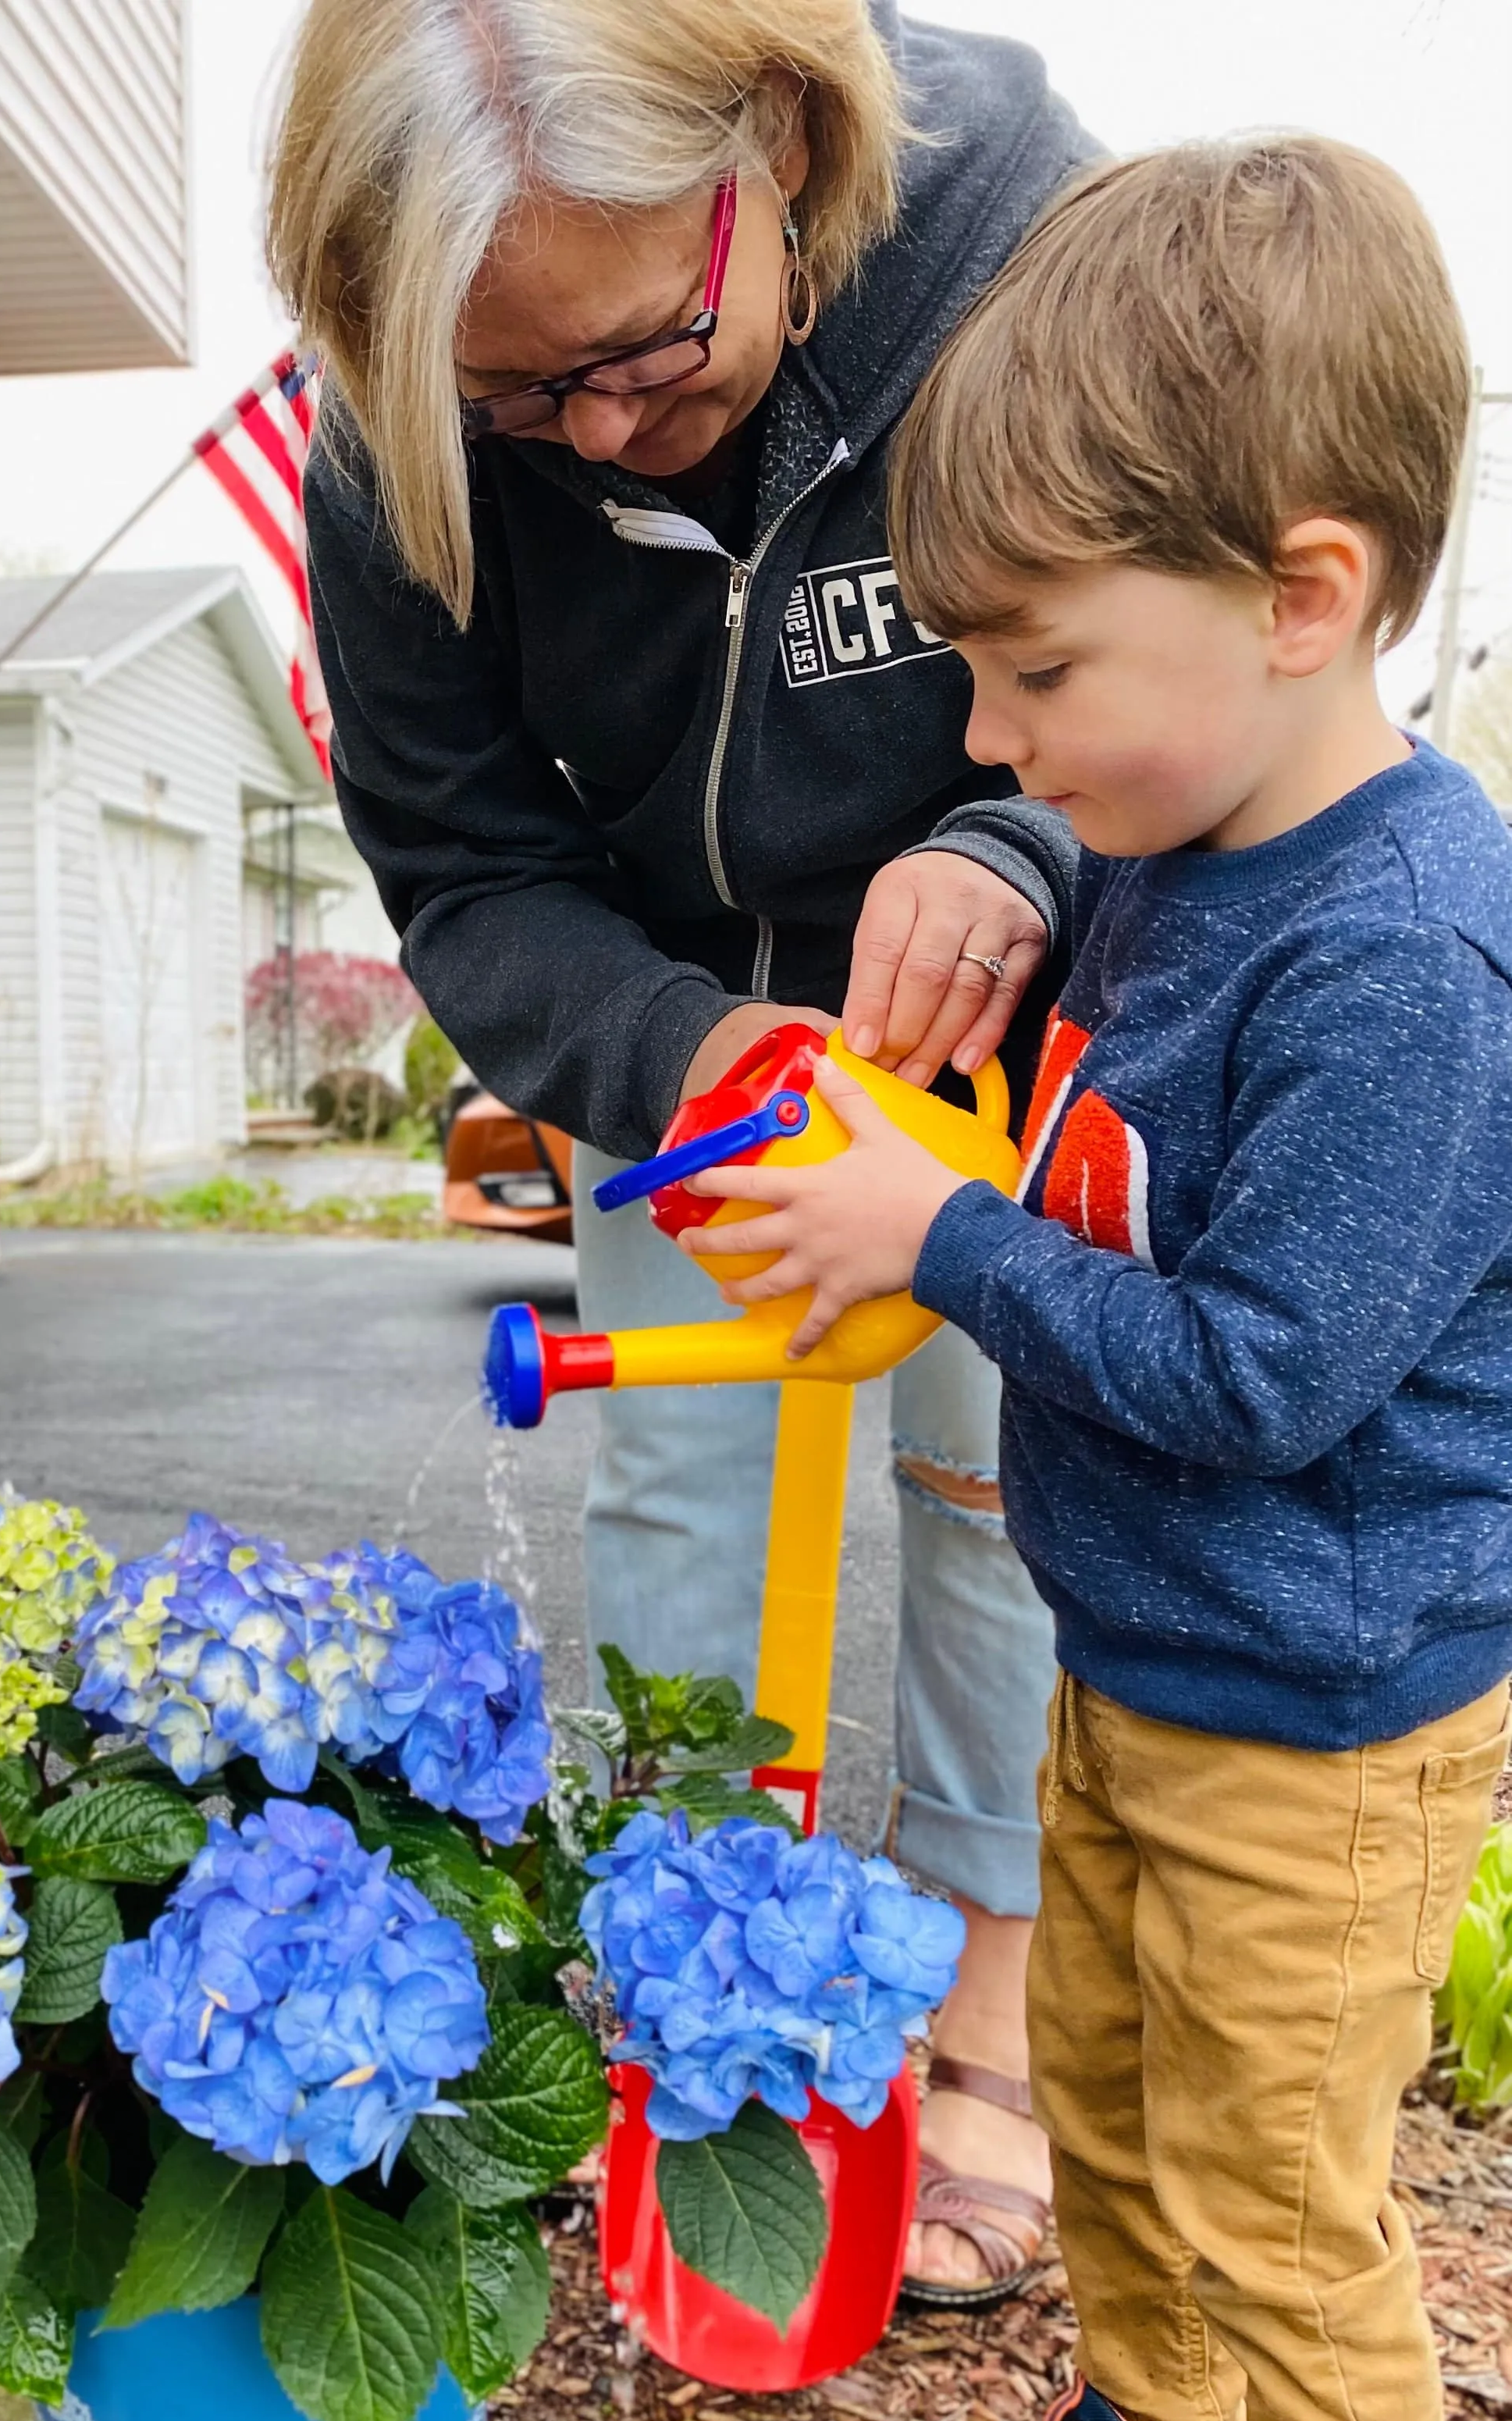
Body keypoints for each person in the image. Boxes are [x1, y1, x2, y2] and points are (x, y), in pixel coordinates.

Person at [683, 135, 1510, 2421]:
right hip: (1149, 1669)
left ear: (1298, 594)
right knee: (1127, 2123)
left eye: (1030, 675)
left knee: (1290, 2215)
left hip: (1317, 1730)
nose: (985, 744)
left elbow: (1260, 1368)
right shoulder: (1178, 852)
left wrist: (943, 1236)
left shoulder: (1398, 955)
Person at [268, 0, 1098, 2302]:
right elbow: (458, 857)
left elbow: (1196, 641)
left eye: (644, 344)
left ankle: (985, 2033)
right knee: (686, 1497)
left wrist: (1023, 846)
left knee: (991, 1493)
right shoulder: (391, 417)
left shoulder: (1025, 231)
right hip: (686, 1038)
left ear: (785, 142)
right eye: (520, 401)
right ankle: (695, 2024)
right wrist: (693, 1040)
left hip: (1015, 1012)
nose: (604, 427)